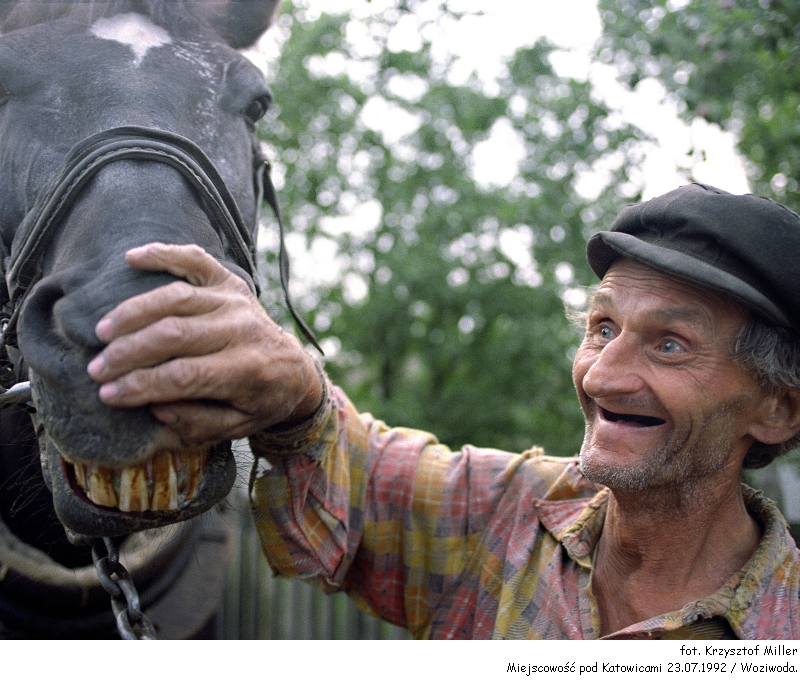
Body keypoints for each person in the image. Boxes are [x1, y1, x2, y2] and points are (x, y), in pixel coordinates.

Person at [87, 183, 800, 639]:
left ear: (777, 409)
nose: (603, 374)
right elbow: (351, 463)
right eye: (603, 327)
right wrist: (294, 387)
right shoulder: (505, 515)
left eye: (670, 345)